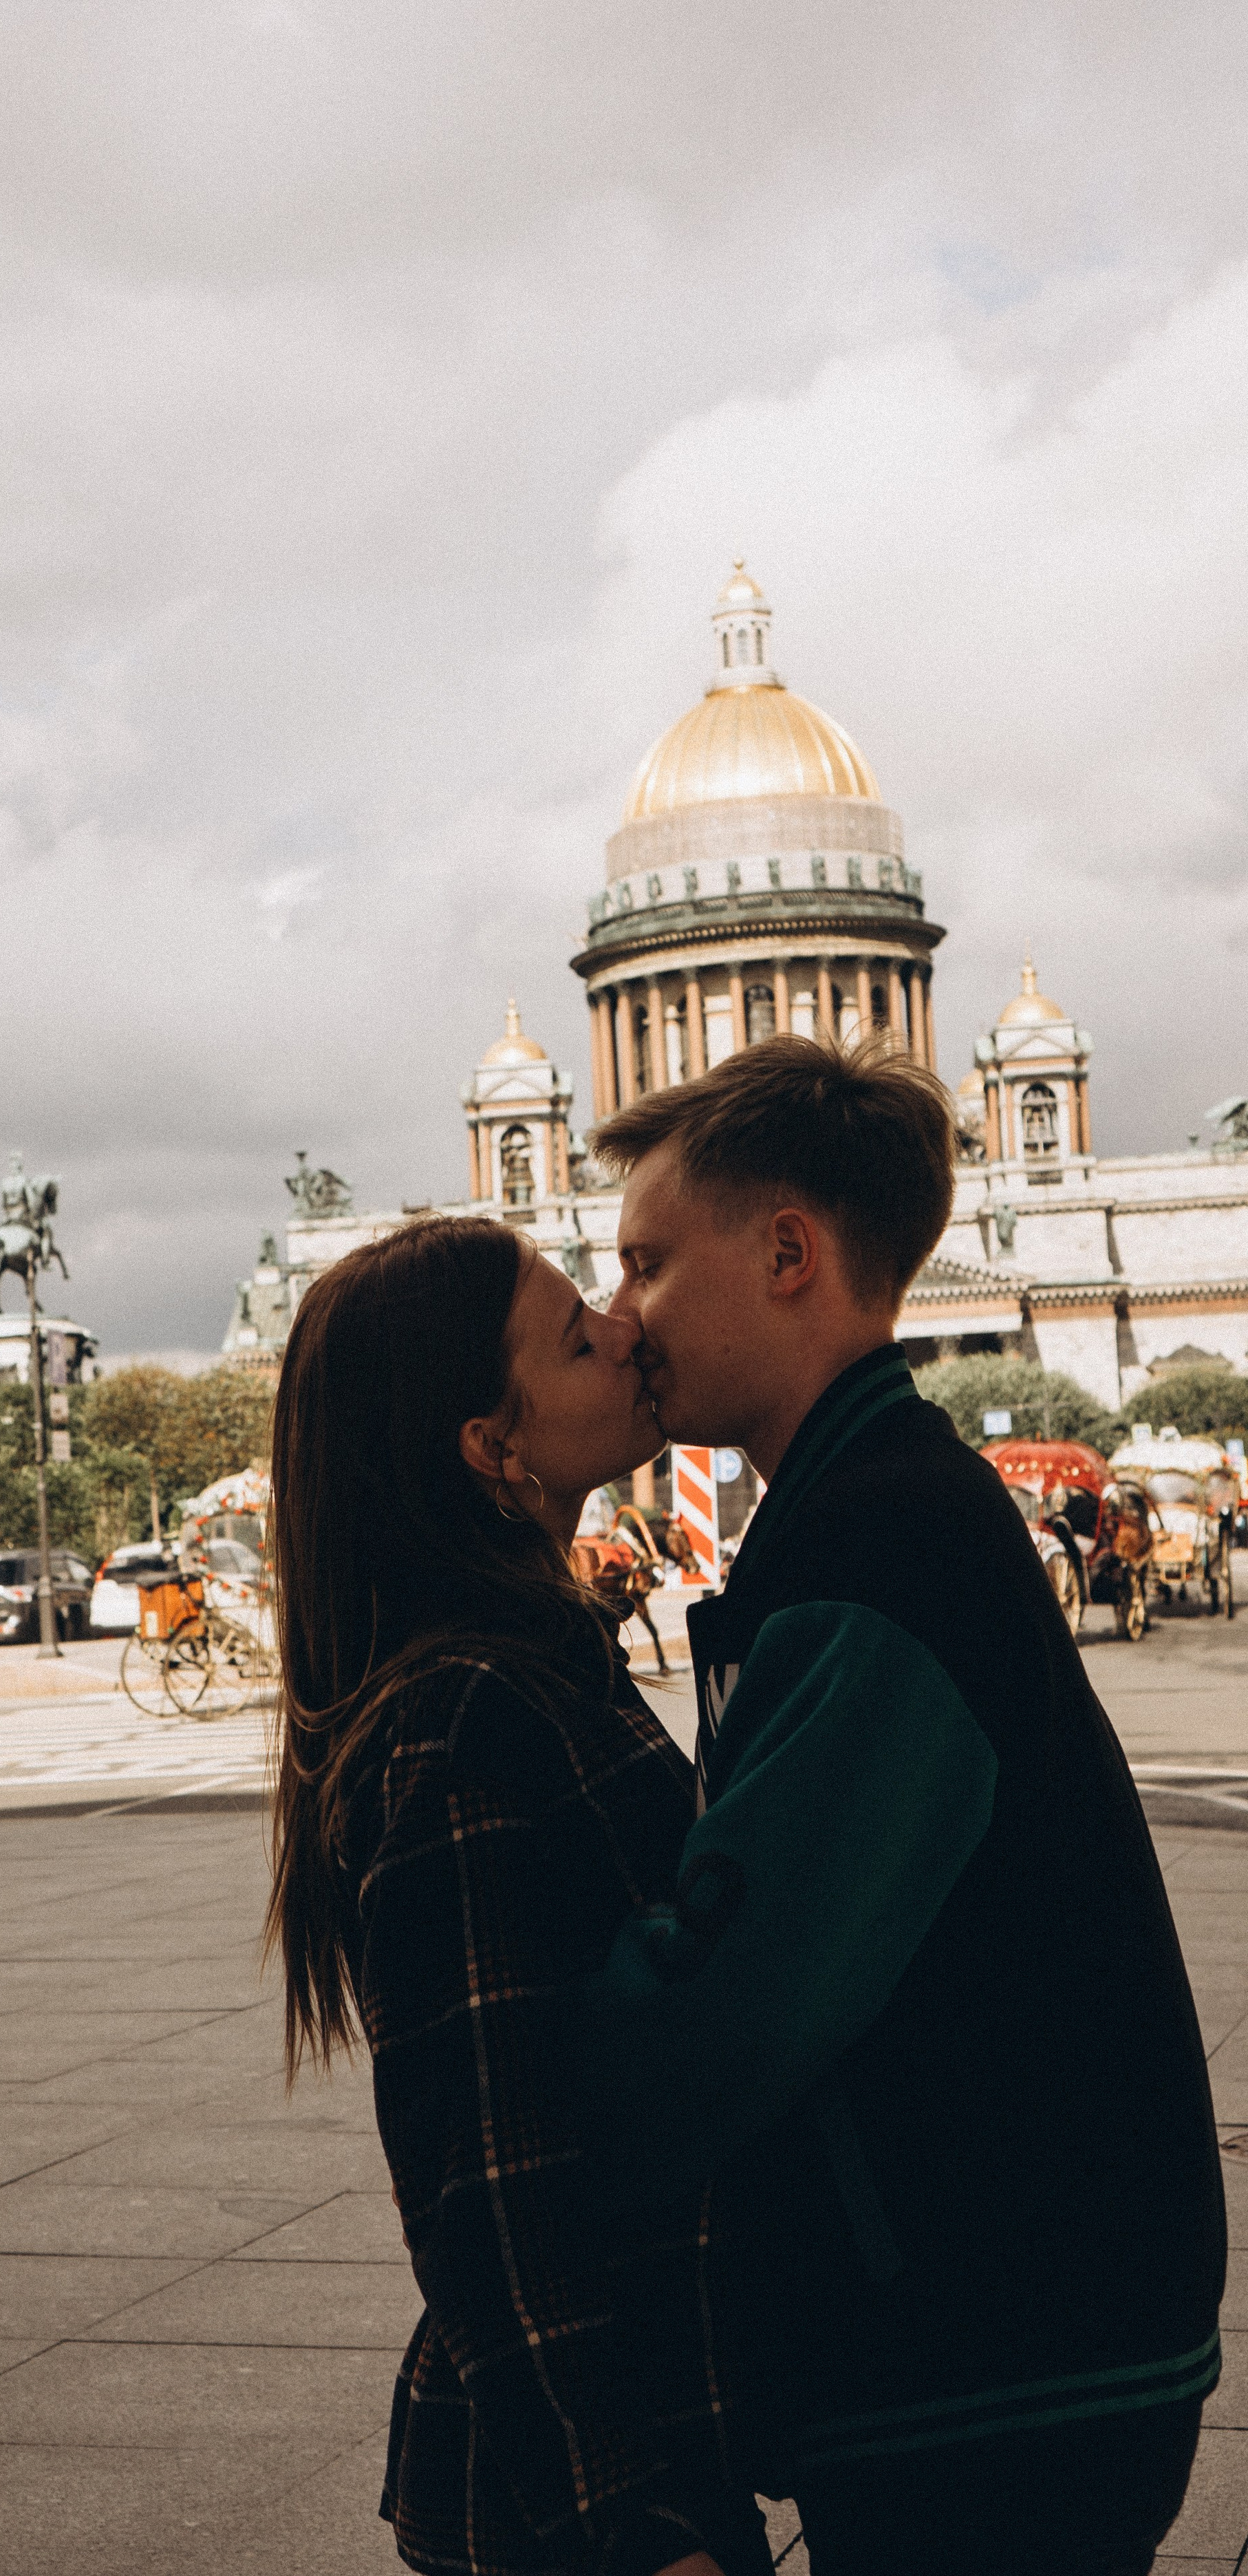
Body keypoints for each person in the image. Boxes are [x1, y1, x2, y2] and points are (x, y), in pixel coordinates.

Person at [588, 1032, 1223, 2576]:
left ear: (788, 1252)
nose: (619, 1318)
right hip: (1018, 2316)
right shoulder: (879, 1509)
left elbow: (727, 2010)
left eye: (650, 1263)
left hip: (993, 2347)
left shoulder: (873, 1553)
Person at [267, 1215, 774, 2576]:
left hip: (616, 2451)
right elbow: (484, 2174)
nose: (626, 1327)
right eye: (574, 1335)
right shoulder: (467, 1711)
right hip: (582, 2496)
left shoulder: (528, 1659)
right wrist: (631, 2520)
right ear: (492, 1447)